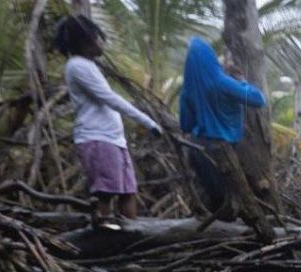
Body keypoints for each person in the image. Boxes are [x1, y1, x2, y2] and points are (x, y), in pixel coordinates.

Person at [54, 15, 161, 230]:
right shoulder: (77, 66)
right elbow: (109, 98)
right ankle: (106, 240)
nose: (102, 42)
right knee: (106, 193)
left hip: (113, 139)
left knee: (128, 191)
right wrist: (147, 121)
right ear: (84, 42)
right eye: (97, 38)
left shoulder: (89, 65)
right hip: (97, 138)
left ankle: (132, 237)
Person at [179, 36, 273, 241]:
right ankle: (235, 239)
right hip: (221, 150)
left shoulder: (188, 89)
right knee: (232, 198)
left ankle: (209, 240)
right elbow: (258, 100)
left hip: (196, 148)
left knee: (210, 197)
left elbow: (185, 124)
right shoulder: (221, 82)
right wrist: (242, 81)